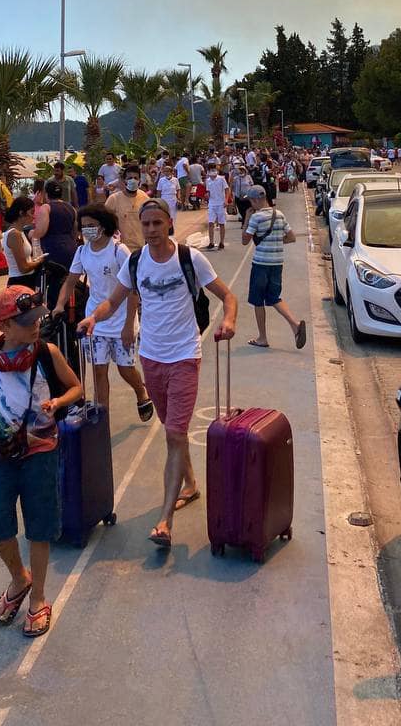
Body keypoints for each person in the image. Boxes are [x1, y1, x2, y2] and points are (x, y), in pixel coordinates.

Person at [79, 198, 238, 550]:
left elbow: (228, 296)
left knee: (174, 433)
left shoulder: (189, 258)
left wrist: (228, 321)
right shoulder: (135, 261)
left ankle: (165, 521)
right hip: (150, 357)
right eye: (145, 223)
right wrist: (94, 318)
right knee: (173, 432)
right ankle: (190, 485)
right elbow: (113, 301)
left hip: (184, 355)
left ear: (169, 223)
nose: (151, 229)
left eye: (157, 223)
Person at [0, 285, 83, 639]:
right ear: (3, 326)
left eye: (36, 319)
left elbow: (76, 388)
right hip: (4, 453)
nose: (35, 326)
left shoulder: (47, 352)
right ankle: (19, 578)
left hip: (41, 452)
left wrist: (58, 403)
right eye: (25, 322)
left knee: (39, 528)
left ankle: (38, 597)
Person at [55, 205, 153, 419]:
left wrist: (129, 325)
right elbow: (70, 281)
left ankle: (141, 392)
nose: (87, 230)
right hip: (95, 321)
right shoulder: (82, 252)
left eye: (92, 225)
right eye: (84, 226)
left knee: (125, 369)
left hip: (122, 320)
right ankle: (102, 418)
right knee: (99, 370)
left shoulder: (119, 251)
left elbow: (133, 290)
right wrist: (59, 305)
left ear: (104, 225)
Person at [241, 186, 307, 349]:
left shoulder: (256, 217)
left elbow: (244, 240)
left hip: (261, 264)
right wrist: (276, 240)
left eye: (250, 201)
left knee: (258, 301)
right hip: (277, 264)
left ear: (255, 200)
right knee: (274, 297)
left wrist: (246, 219)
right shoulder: (279, 214)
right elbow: (291, 237)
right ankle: (295, 324)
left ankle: (262, 338)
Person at [33, 181, 78, 341]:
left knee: (54, 283)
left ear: (46, 194)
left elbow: (41, 230)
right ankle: (69, 312)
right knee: (69, 281)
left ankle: (55, 315)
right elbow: (74, 231)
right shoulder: (71, 208)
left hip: (53, 250)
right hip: (71, 248)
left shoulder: (46, 208)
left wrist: (31, 233)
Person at [3, 197, 47, 285]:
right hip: (20, 280)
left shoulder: (19, 232)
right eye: (31, 212)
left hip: (25, 278)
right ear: (21, 213)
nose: (33, 216)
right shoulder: (14, 234)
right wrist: (39, 261)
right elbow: (23, 268)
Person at [104, 164, 150, 248]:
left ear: (139, 180)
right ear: (124, 180)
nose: (133, 180)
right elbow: (105, 223)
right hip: (119, 248)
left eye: (135, 178)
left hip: (140, 247)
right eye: (130, 178)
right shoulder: (113, 199)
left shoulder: (145, 198)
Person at [205, 163, 229, 250]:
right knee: (210, 223)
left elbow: (227, 189)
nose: (213, 171)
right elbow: (208, 191)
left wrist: (226, 200)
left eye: (214, 169)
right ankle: (211, 242)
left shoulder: (221, 179)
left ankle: (221, 242)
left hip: (221, 204)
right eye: (211, 169)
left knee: (221, 223)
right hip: (212, 204)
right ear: (208, 171)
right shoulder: (208, 181)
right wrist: (207, 195)